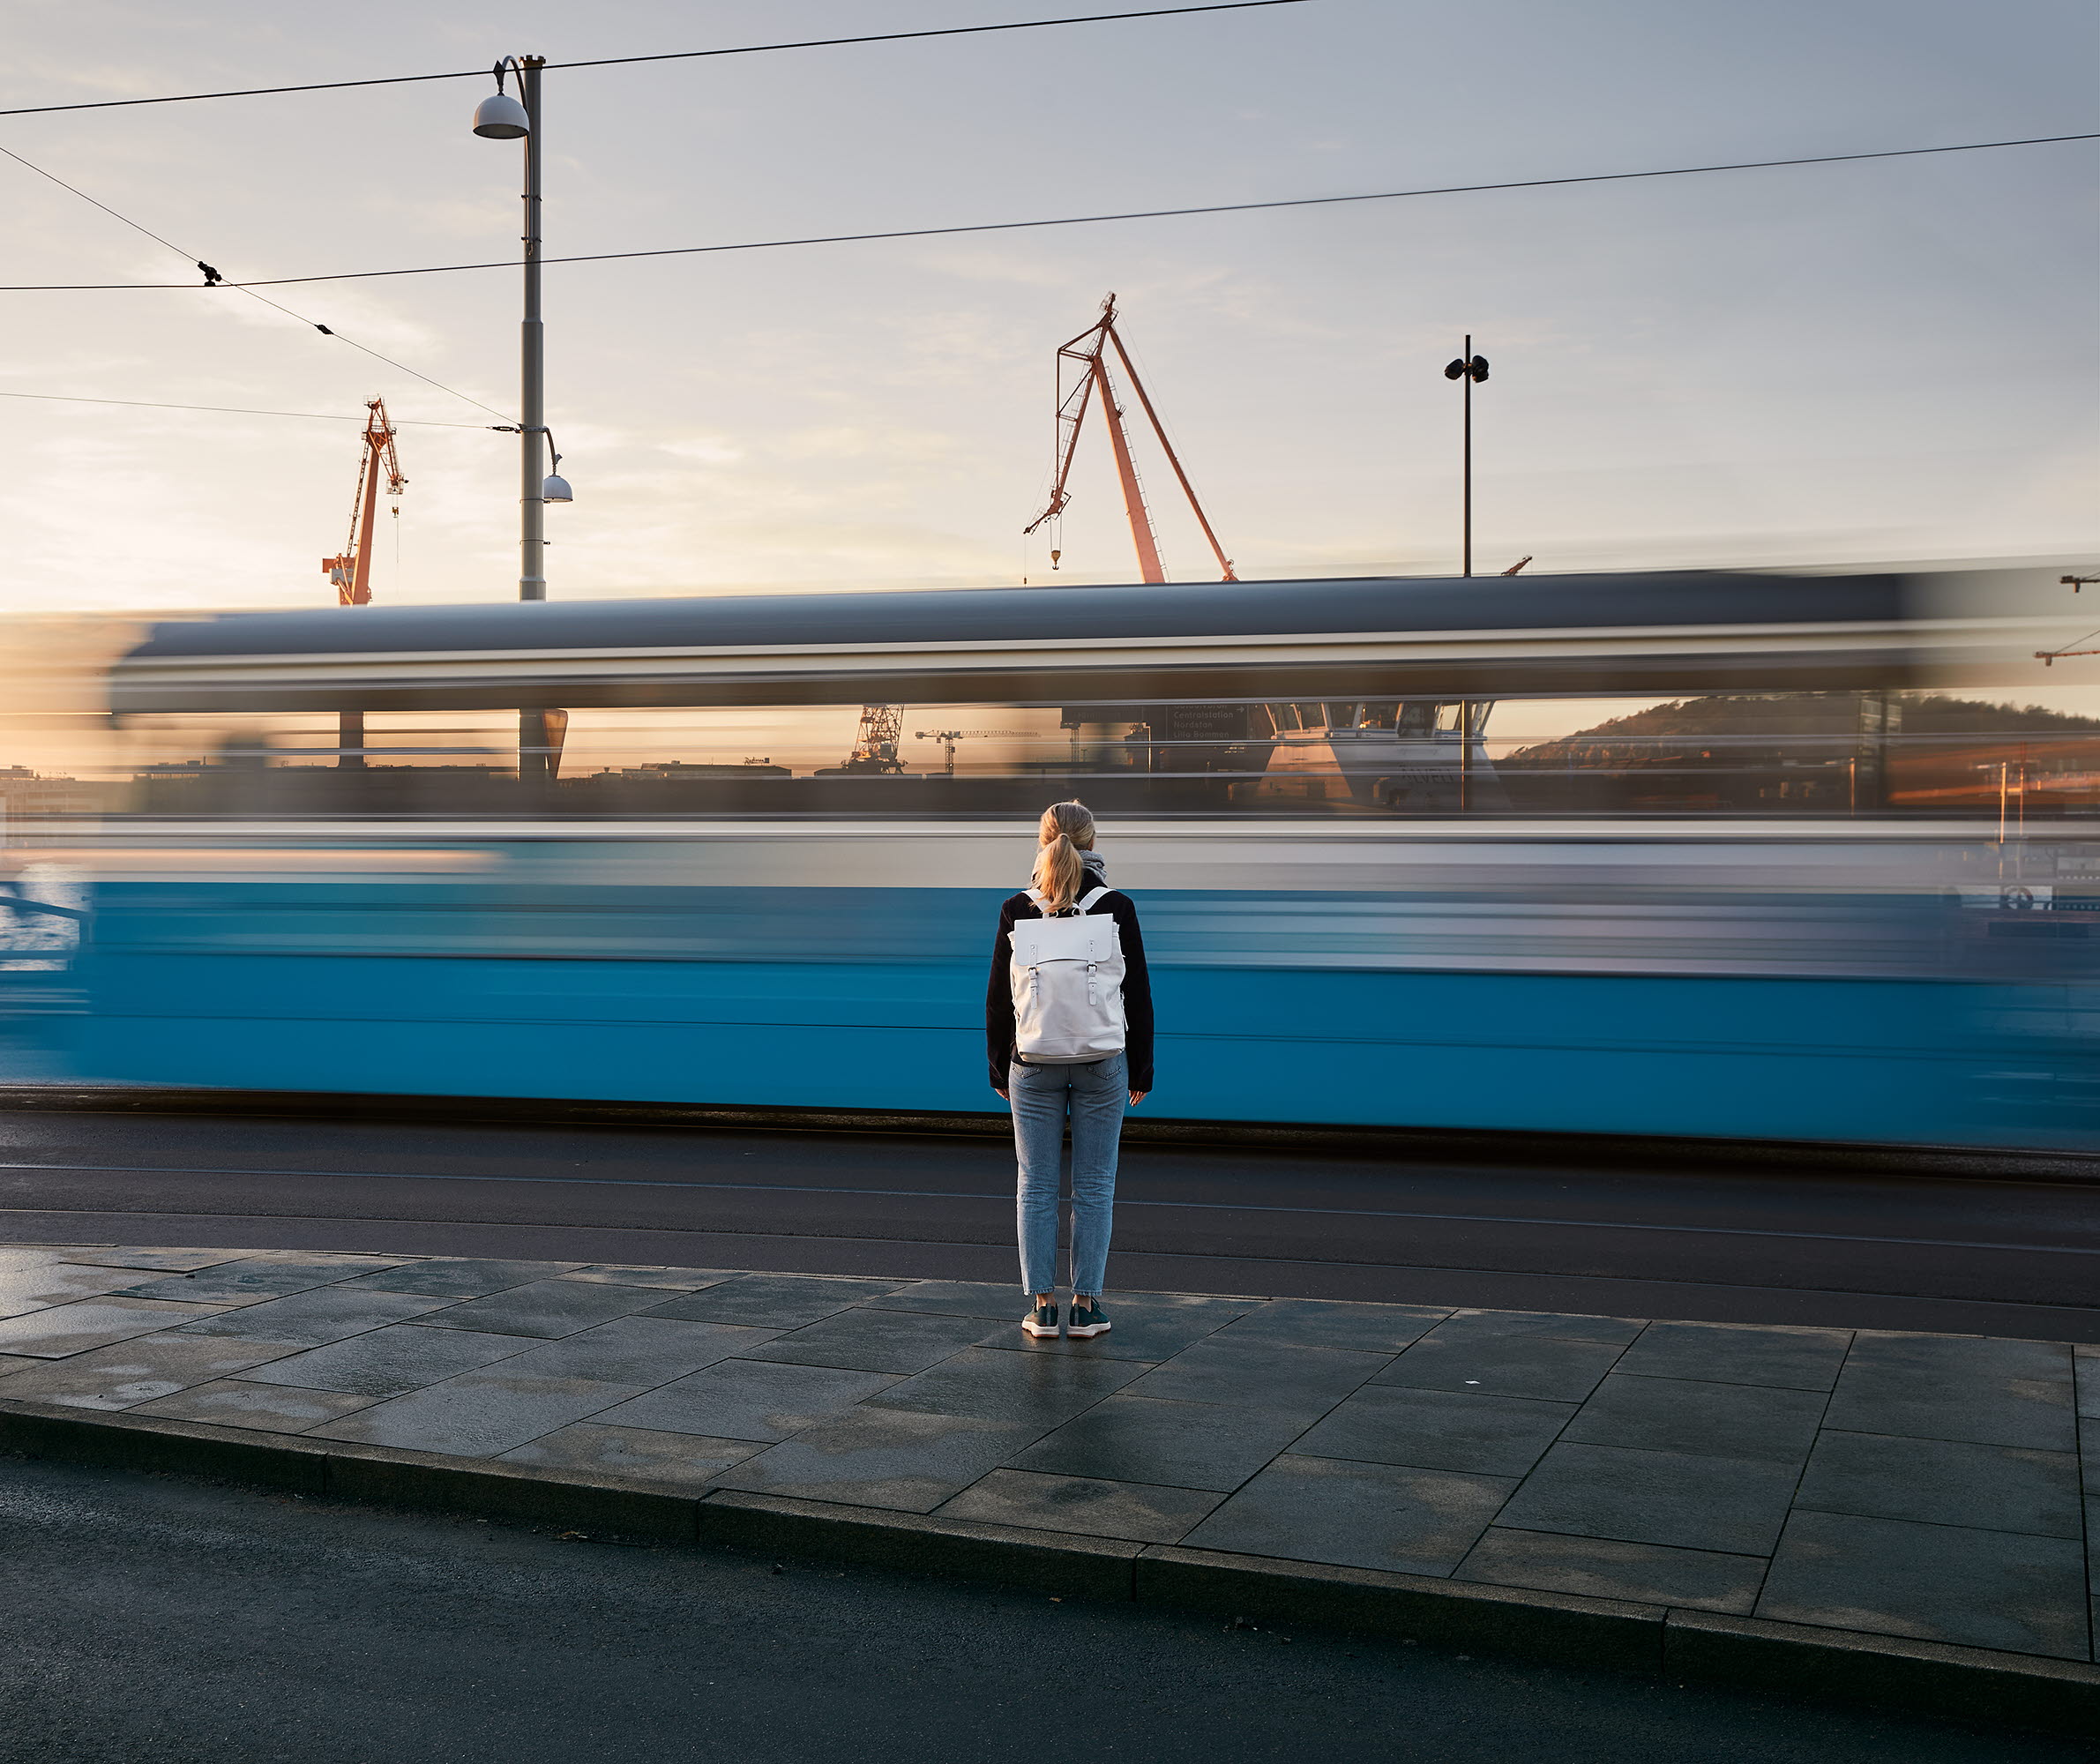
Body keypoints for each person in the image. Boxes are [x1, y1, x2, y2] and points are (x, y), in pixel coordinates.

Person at [987, 799, 1153, 1340]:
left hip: (1031, 1061)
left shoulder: (1016, 907)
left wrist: (997, 1066)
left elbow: (997, 998)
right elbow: (1138, 994)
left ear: (1043, 842)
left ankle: (1042, 1307)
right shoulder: (1118, 906)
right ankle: (1086, 1307)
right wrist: (1142, 1070)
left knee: (1035, 1184)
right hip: (1103, 1061)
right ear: (1092, 841)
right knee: (1094, 1185)